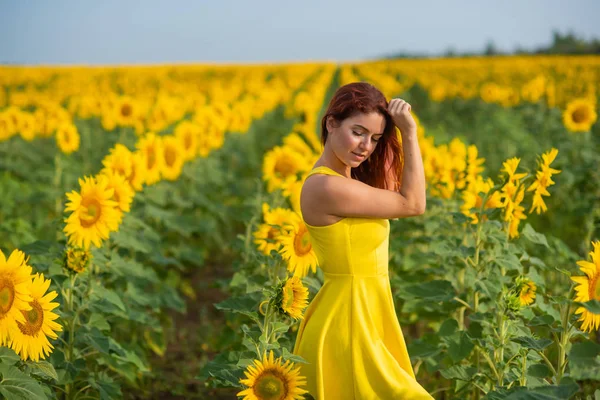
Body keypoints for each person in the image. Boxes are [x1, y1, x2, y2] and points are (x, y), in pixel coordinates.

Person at [292, 82, 433, 399]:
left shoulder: (349, 180)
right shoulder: (326, 188)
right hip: (348, 321)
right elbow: (413, 204)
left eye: (375, 138)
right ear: (331, 123)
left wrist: (390, 138)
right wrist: (409, 133)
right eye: (358, 132)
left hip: (367, 313)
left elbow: (393, 188)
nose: (366, 146)